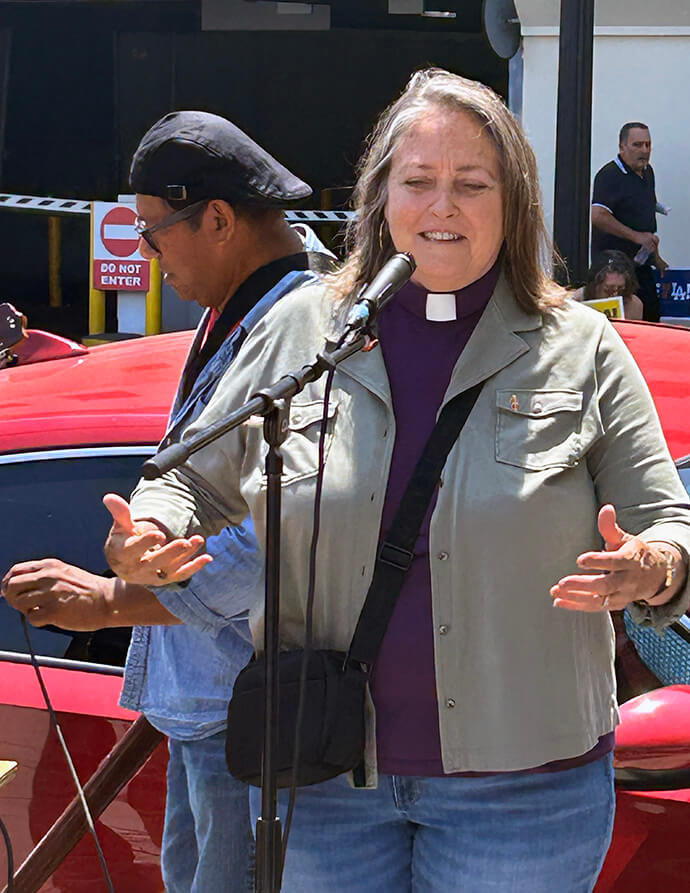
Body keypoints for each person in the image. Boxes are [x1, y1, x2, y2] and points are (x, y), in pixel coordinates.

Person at [103, 70, 690, 893]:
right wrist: (151, 533)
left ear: (513, 201)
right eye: (417, 182)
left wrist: (654, 566)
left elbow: (669, 519)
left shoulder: (583, 349)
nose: (441, 205)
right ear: (381, 198)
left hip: (524, 793)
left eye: (471, 184)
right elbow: (190, 478)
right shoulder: (305, 331)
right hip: (325, 784)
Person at [1, 110, 334, 893]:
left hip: (252, 719)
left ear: (217, 219)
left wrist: (111, 601)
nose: (147, 257)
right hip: (216, 709)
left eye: (153, 233)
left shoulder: (305, 331)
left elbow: (276, 549)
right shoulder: (244, 311)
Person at [591, 122, 669, 322]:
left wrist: (656, 258)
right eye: (637, 145)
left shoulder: (647, 172)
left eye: (648, 145)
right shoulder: (609, 175)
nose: (644, 150)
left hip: (641, 264)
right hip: (614, 268)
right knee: (622, 322)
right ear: (622, 147)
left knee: (651, 316)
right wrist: (636, 236)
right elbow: (598, 215)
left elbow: (646, 220)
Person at [572, 250, 644, 320]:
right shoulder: (575, 302)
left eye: (621, 290)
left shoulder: (634, 304)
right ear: (594, 286)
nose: (615, 295)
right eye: (608, 290)